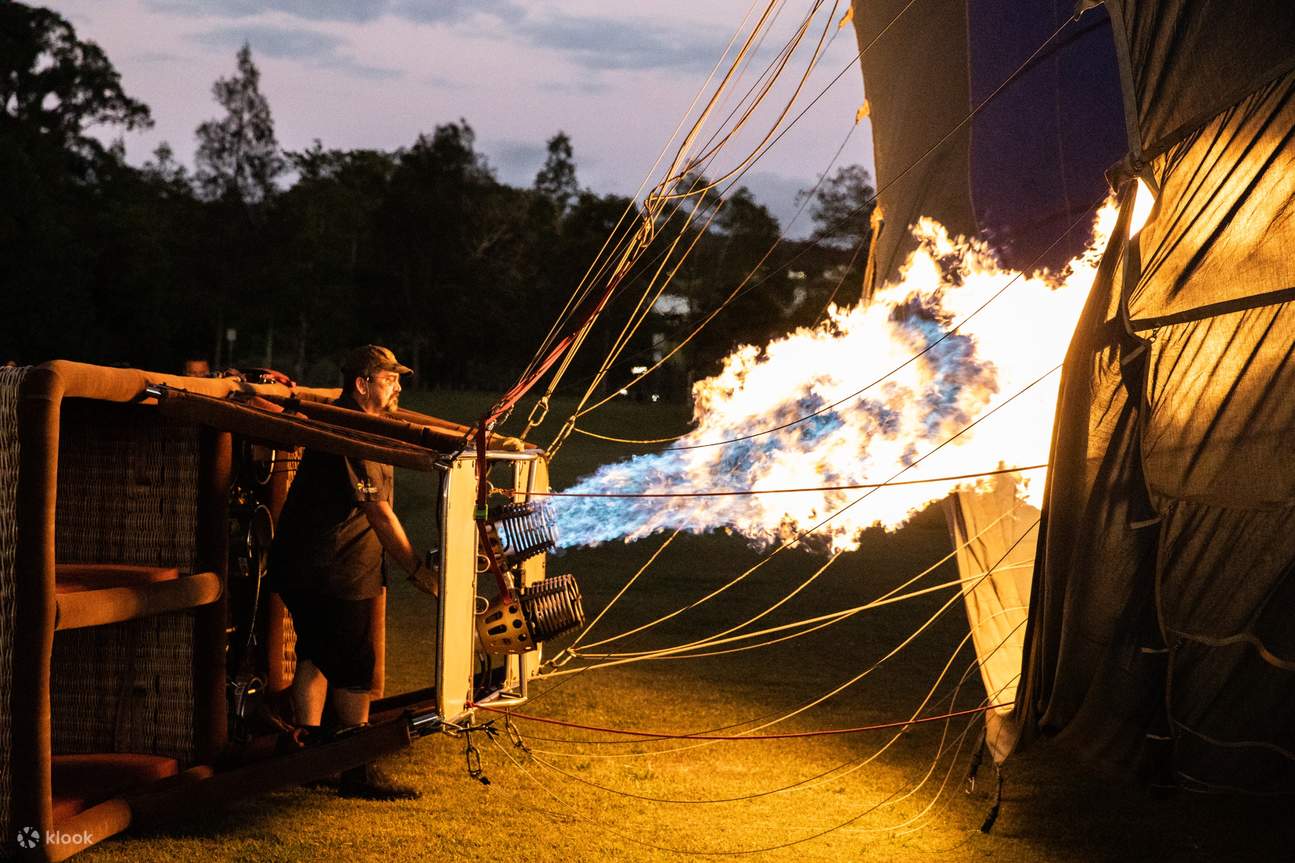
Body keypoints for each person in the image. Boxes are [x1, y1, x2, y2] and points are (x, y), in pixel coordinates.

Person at [268, 344, 432, 800]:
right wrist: (417, 569)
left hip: (313, 565)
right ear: (362, 384)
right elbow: (379, 512)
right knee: (356, 665)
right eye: (388, 378)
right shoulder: (349, 432)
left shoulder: (360, 422)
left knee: (316, 656)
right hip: (331, 569)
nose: (398, 385)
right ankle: (355, 767)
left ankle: (310, 750)